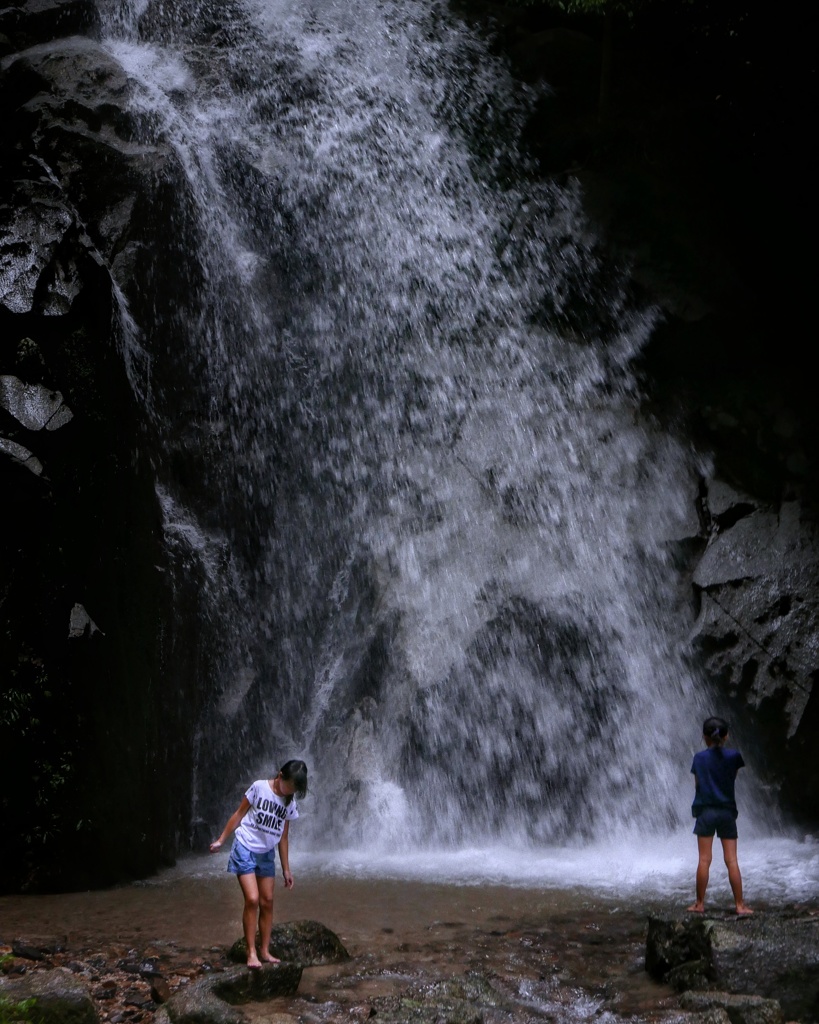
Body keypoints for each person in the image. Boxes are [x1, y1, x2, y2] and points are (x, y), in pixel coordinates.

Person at [210, 759, 309, 967]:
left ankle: (265, 951)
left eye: (293, 790)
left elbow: (283, 837)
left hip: (266, 854)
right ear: (280, 776)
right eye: (288, 787)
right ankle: (251, 953)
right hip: (245, 846)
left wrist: (287, 869)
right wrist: (221, 840)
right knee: (253, 899)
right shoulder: (258, 787)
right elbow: (239, 814)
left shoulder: (289, 802)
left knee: (267, 901)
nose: (287, 793)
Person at [686, 717, 752, 915]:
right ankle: (740, 905)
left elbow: (698, 784)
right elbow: (732, 778)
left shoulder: (698, 758)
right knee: (731, 860)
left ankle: (699, 903)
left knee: (704, 860)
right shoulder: (734, 757)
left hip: (705, 812)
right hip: (726, 812)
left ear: (705, 737)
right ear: (726, 736)